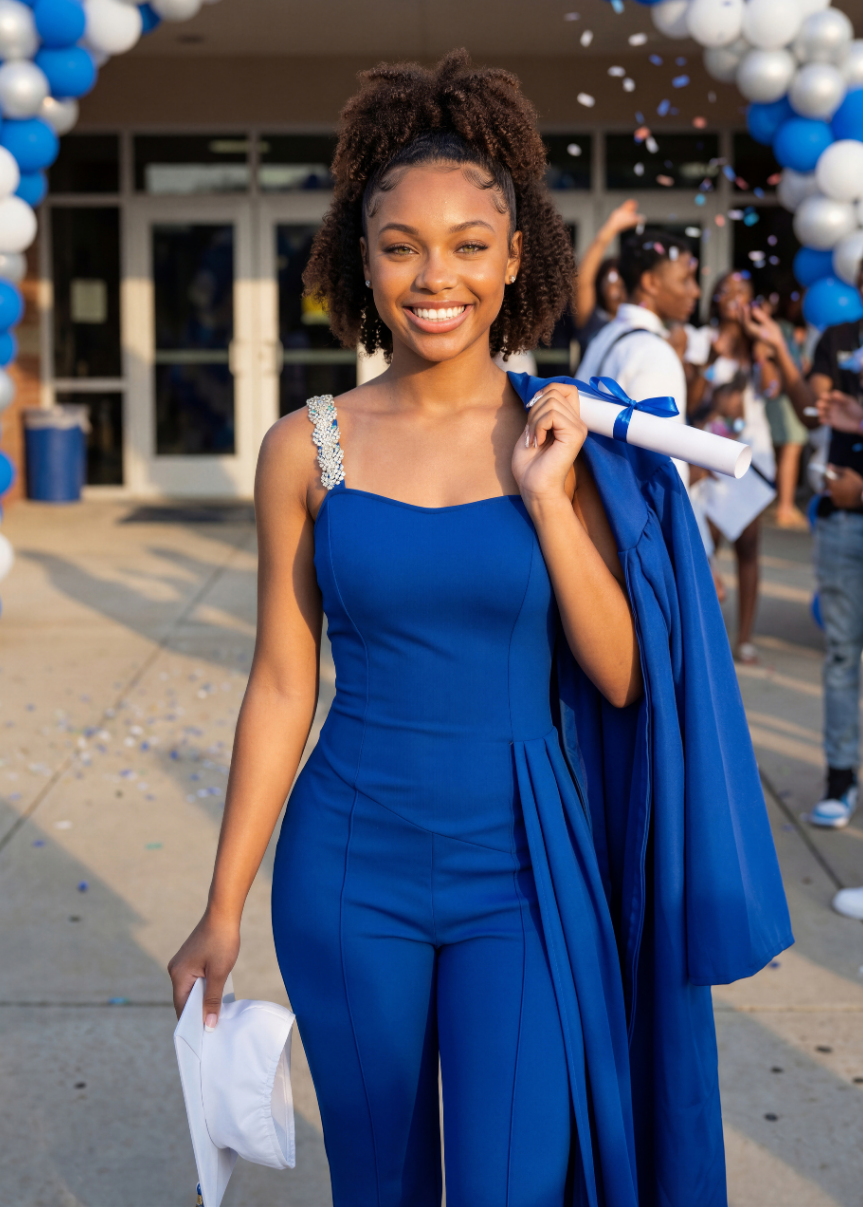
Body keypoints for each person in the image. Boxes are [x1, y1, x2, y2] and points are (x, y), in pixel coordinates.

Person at [167, 51, 791, 1208]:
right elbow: (278, 685)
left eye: (466, 244)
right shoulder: (304, 448)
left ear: (515, 259)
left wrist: (549, 498)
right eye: (400, 244)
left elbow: (616, 676)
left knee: (513, 1183)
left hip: (523, 867)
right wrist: (219, 905)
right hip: (348, 865)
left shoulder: (570, 439)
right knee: (382, 1185)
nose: (432, 274)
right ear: (360, 258)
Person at [685, 272, 779, 664]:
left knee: (749, 545)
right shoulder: (703, 340)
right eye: (728, 291)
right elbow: (690, 402)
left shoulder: (759, 345)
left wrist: (758, 345)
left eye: (744, 292)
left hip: (752, 452)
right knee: (708, 544)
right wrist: (710, 359)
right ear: (716, 298)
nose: (735, 297)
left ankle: (744, 638)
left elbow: (773, 389)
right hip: (713, 452)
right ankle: (707, 632)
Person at [576, 230, 698, 488]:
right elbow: (660, 466)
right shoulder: (653, 352)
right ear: (651, 282)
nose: (695, 291)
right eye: (685, 279)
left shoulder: (607, 333)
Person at [573, 198, 645, 352]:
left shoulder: (640, 325)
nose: (619, 292)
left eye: (624, 283)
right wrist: (609, 230)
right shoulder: (592, 321)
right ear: (599, 284)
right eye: (612, 282)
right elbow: (583, 283)